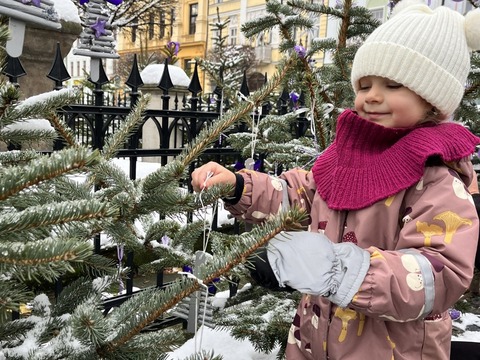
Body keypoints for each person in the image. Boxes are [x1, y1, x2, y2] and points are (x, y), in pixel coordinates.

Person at [191, 1, 480, 359]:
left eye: (392, 85)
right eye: (364, 84)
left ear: (433, 102)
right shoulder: (343, 157)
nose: (372, 96)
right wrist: (238, 186)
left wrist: (340, 271)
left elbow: (440, 273)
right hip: (314, 343)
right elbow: (301, 195)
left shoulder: (437, 181)